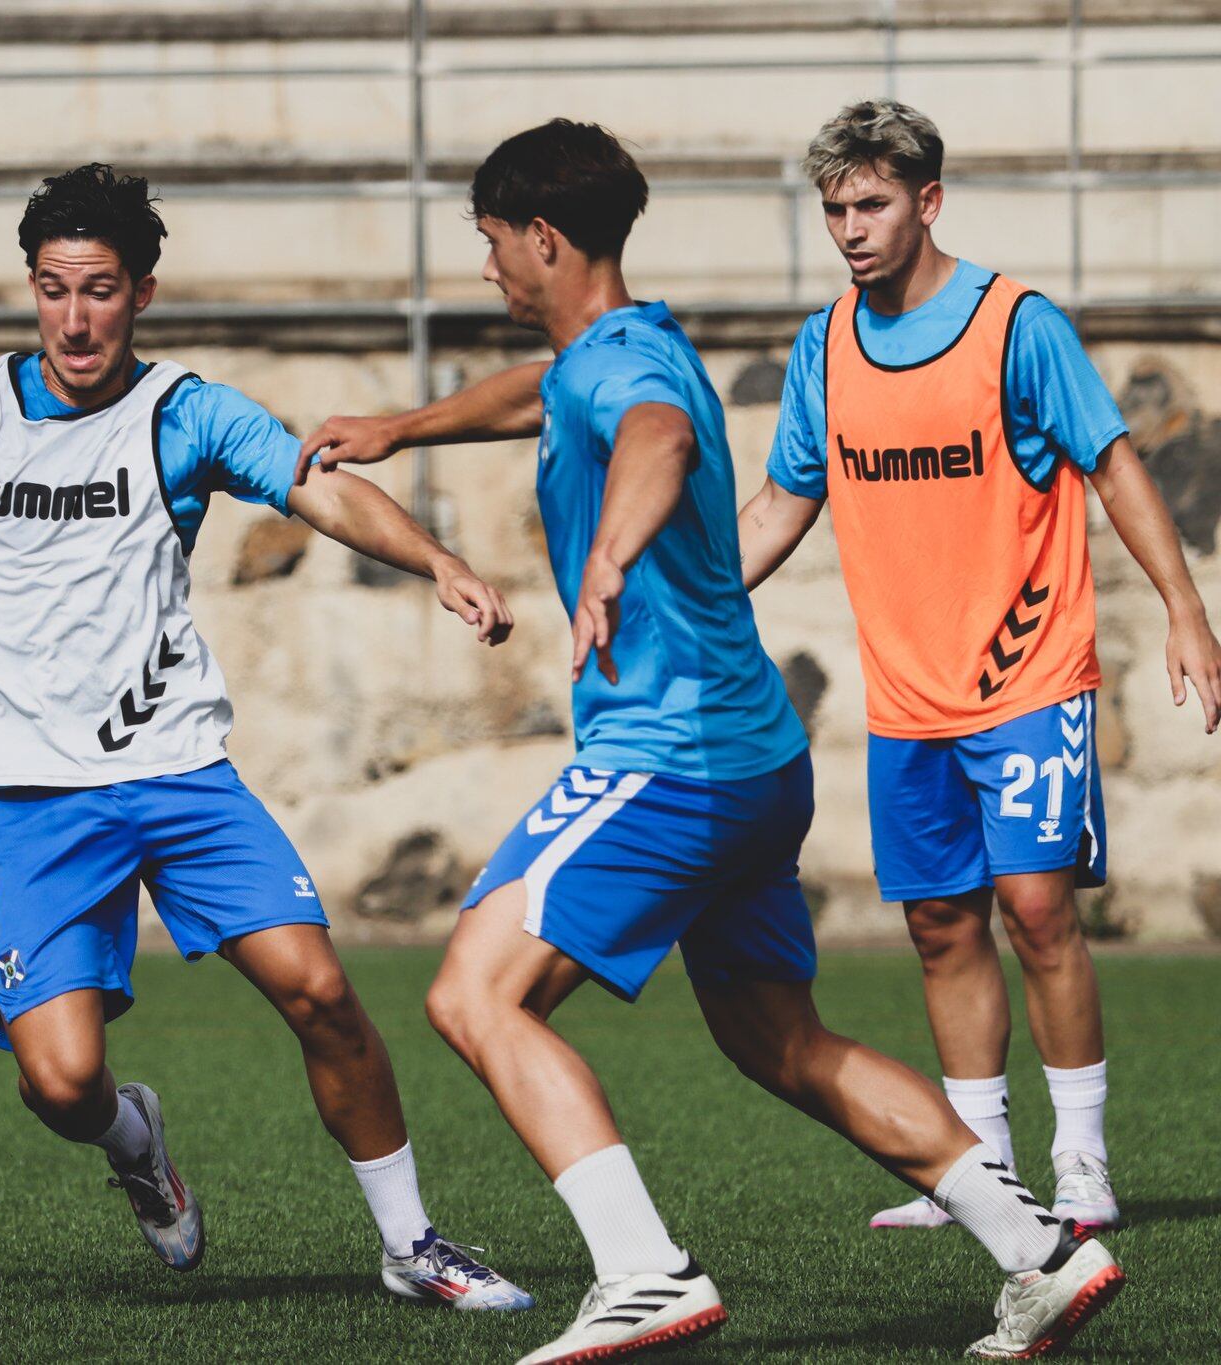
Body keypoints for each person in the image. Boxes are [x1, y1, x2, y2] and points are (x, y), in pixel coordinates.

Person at [299, 120, 1123, 1361]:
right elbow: (549, 393)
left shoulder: (628, 379)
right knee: (774, 1038)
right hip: (752, 765)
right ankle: (1041, 1252)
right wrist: (402, 429)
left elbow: (654, 442)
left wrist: (614, 554)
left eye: (489, 244)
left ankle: (641, 1272)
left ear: (541, 238)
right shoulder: (628, 341)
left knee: (474, 996)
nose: (485, 271)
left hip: (663, 765)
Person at [0, 163, 531, 1308]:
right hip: (30, 801)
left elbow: (315, 487)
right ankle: (134, 1142)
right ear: (30, 290)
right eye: (51, 289)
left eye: (98, 290)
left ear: (142, 292)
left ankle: (410, 1243)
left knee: (321, 994)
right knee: (61, 1083)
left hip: (178, 773)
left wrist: (435, 560)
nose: (73, 318)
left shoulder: (185, 412)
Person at [736, 100, 1221, 1232]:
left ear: (926, 201)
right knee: (938, 925)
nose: (849, 228)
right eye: (833, 209)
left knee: (1037, 910)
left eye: (870, 204)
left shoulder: (1015, 324)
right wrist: (682, 605)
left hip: (1029, 679)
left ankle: (1083, 1163)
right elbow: (776, 506)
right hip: (905, 699)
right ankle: (980, 1173)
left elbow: (1112, 466)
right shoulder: (825, 344)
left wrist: (1185, 611)